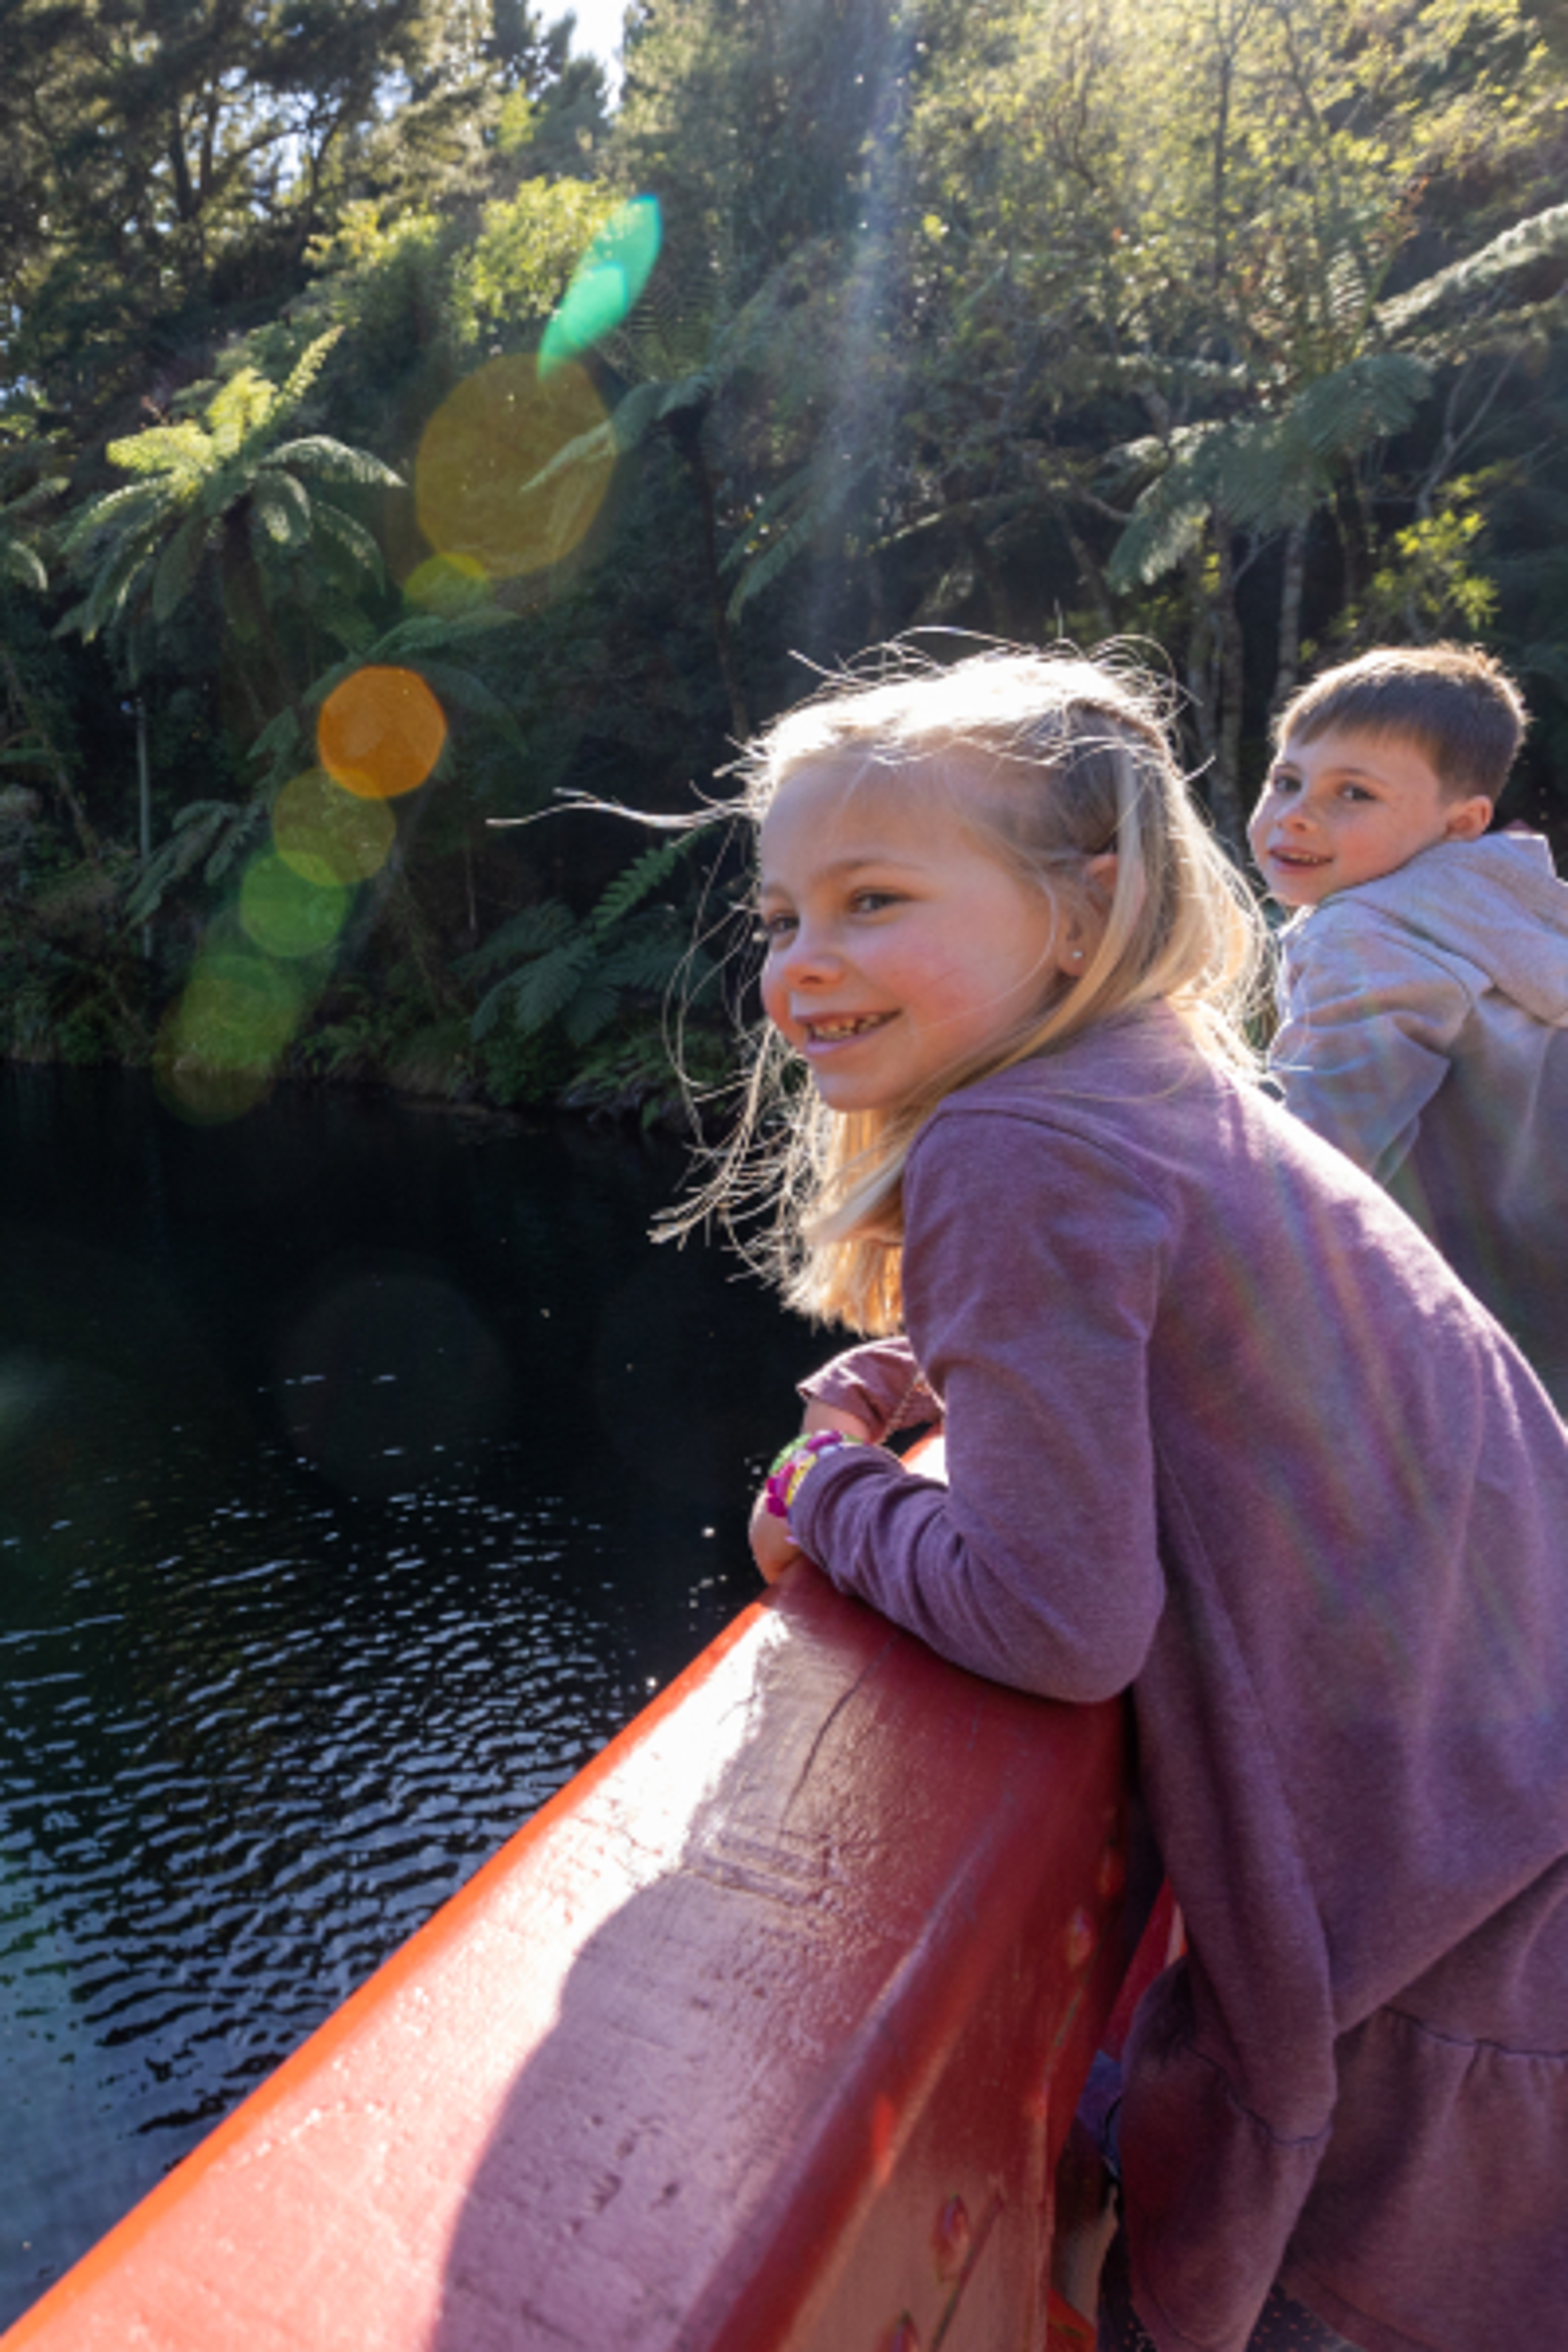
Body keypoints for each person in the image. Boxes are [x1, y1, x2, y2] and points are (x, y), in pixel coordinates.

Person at [711, 643, 1568, 2352]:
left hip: (1435, 1985)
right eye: (780, 917)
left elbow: (1055, 1618)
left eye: (872, 898)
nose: (805, 966)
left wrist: (827, 1482)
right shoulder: (1156, 1077)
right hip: (1502, 1871)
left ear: (1082, 902)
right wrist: (912, 1386)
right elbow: (1150, 1359)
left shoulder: (1014, 1145)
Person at [1249, 643, 1568, 1405]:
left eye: (1352, 793)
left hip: (1456, 1338)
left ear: (1461, 822)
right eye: (1285, 780)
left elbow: (1317, 1154)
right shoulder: (1512, 914)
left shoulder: (1367, 929)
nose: (1296, 814)